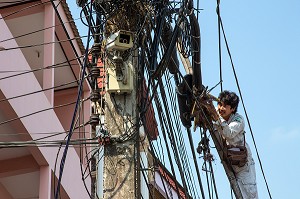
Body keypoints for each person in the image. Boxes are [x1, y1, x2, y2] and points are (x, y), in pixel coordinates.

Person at [214, 90, 258, 199]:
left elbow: (228, 133)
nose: (220, 108)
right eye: (219, 104)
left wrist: (216, 117)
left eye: (224, 106)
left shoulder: (238, 120)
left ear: (232, 109)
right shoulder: (217, 113)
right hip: (231, 161)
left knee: (248, 194)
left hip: (244, 166)